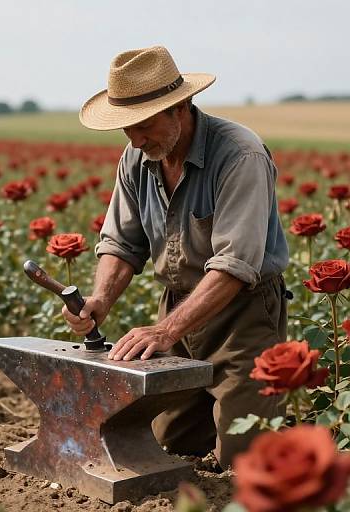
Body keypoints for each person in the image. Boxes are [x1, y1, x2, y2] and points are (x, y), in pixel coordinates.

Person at [62, 45, 289, 470]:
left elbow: (234, 266)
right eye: (126, 128)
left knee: (246, 460)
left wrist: (164, 332)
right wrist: (99, 301)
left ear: (180, 107)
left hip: (243, 313)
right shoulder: (137, 158)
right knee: (169, 444)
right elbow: (121, 243)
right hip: (178, 307)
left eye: (143, 125)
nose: (135, 140)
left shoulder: (240, 155)